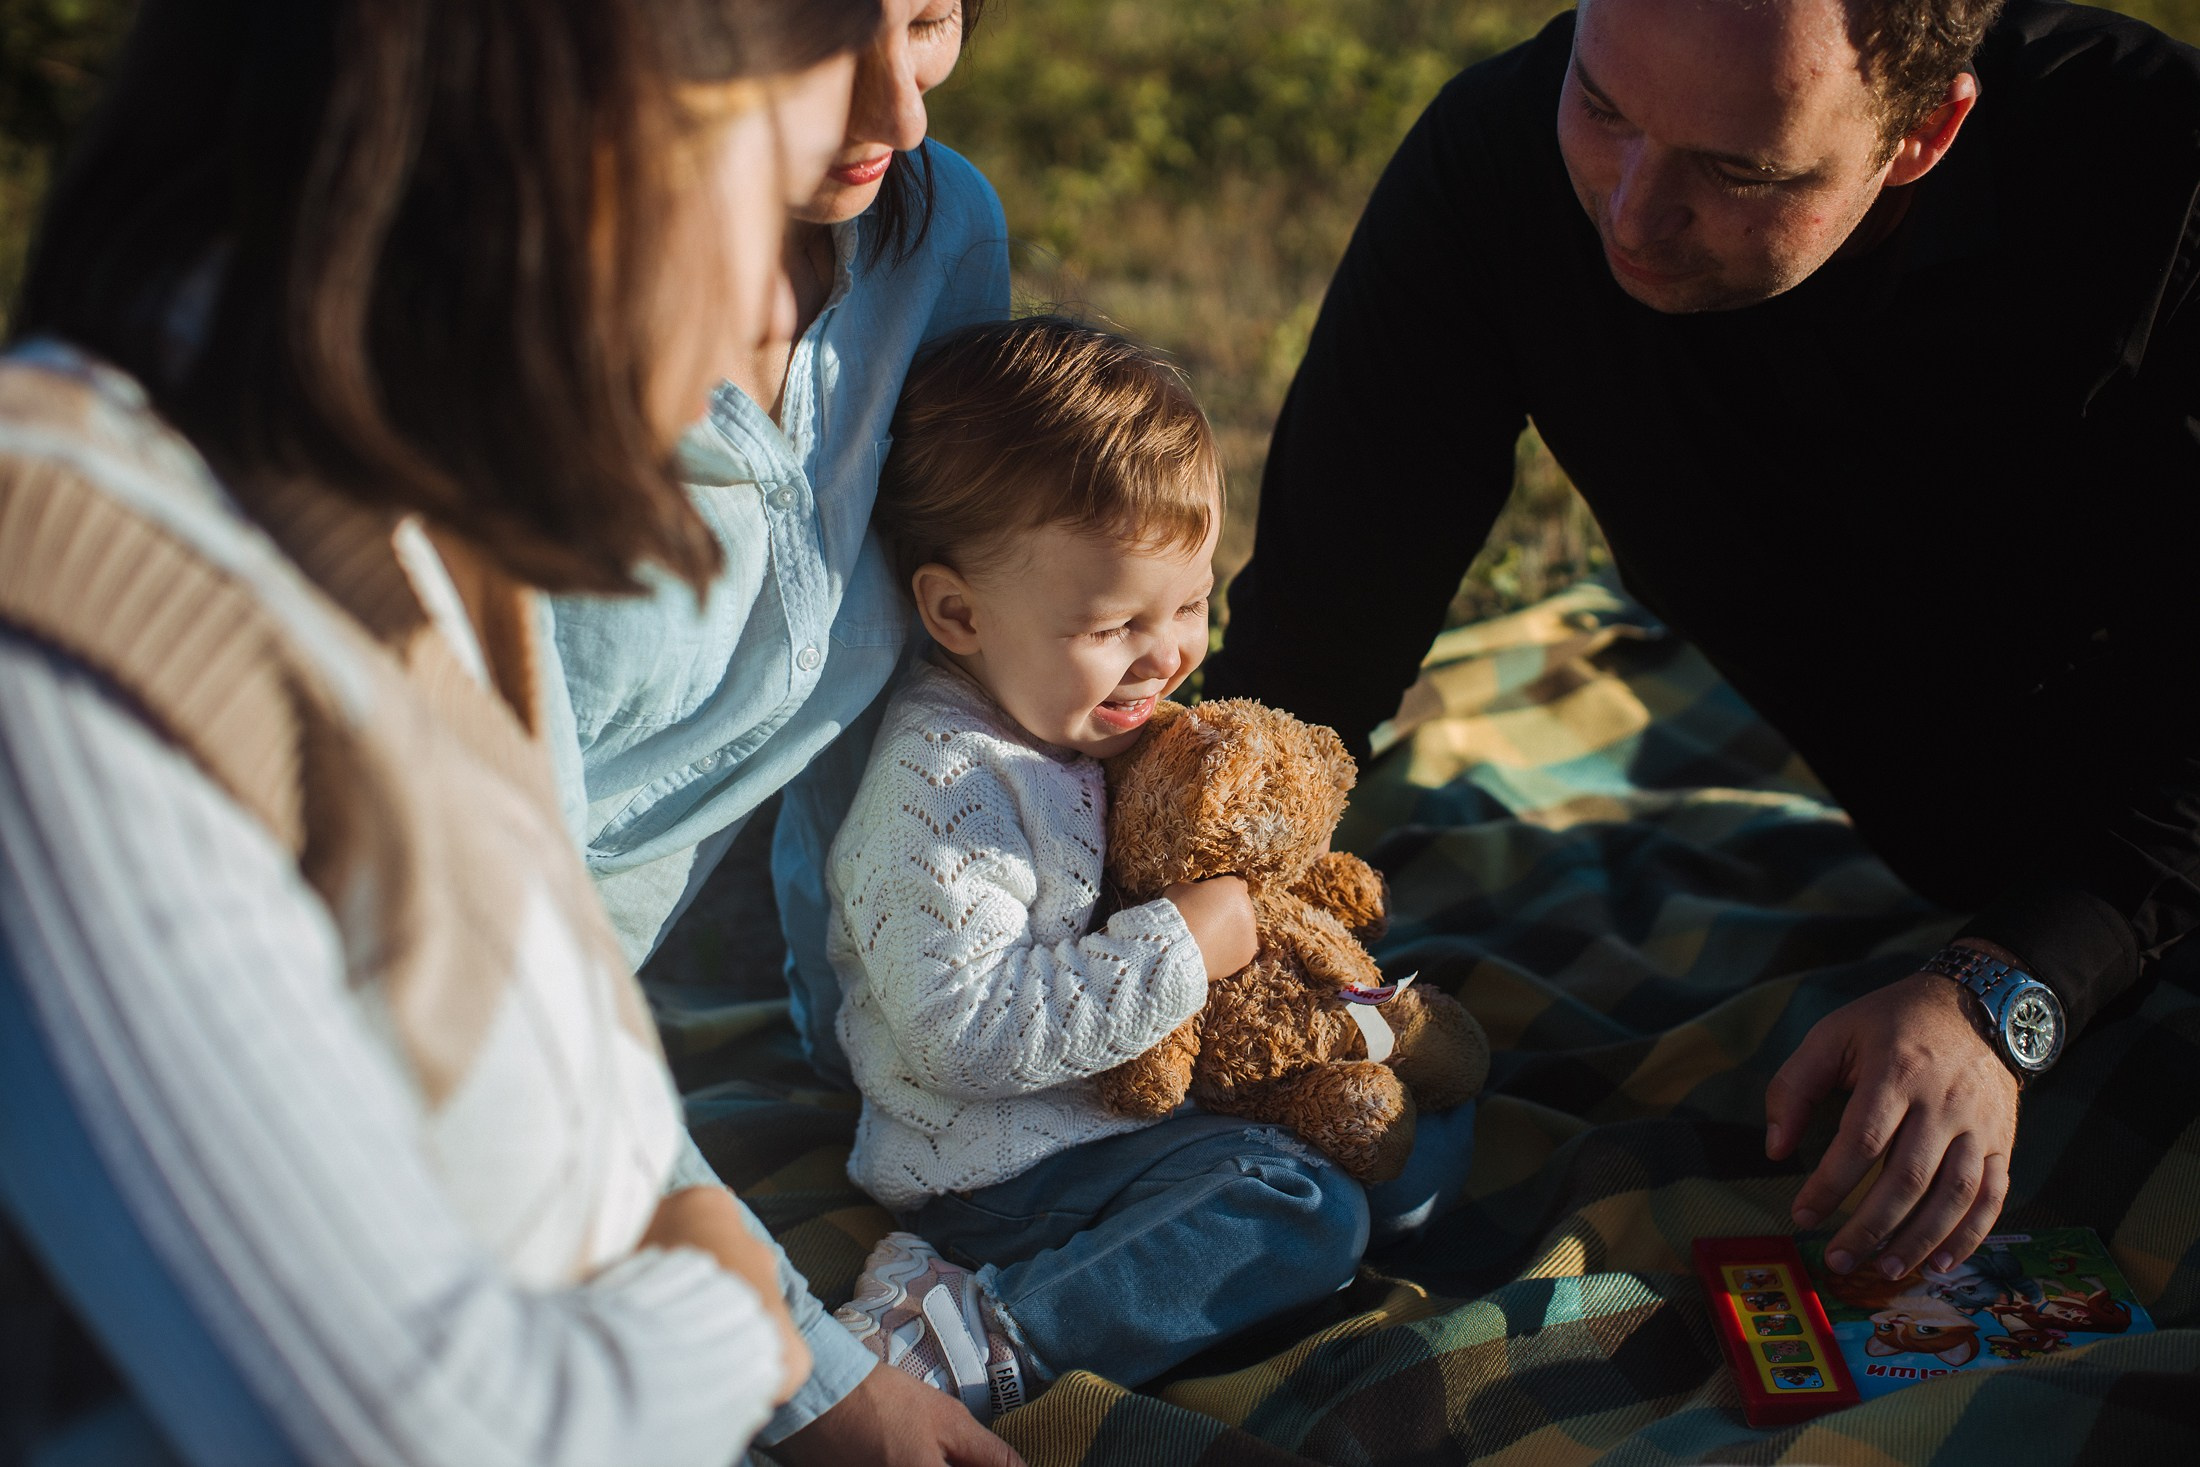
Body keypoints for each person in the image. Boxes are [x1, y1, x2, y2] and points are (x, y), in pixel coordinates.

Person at [0, 3, 1014, 1465]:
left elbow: (568, 1085)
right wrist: (743, 1318)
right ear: (546, 130)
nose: (786, 316)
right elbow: (436, 1429)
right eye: (743, 142)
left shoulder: (422, 542)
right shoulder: (80, 630)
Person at [1207, 0, 2200, 1290]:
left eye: (1739, 172)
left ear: (1924, 131)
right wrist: (1194, 918)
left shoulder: (2158, 177)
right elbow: (1310, 650)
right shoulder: (1495, 166)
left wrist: (2004, 989)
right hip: (1933, 843)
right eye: (1602, 108)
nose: (1628, 213)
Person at [821, 317, 1480, 1404]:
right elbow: (962, 1038)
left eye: (1190, 604)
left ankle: (1229, 1236)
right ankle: (973, 1333)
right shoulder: (943, 789)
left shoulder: (1092, 720)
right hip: (1003, 1162)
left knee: (1418, 1139)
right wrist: (1183, 943)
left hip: (1150, 1103)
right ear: (957, 612)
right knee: (1302, 1213)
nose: (1167, 653)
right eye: (1114, 622)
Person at [544, 0, 1010, 1093]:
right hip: (419, 993)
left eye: (931, 20)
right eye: (829, 40)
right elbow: (476, 872)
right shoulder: (521, 308)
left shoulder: (936, 234)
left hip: (580, 1026)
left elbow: (905, 711)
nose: (898, 110)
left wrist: (868, 1054)